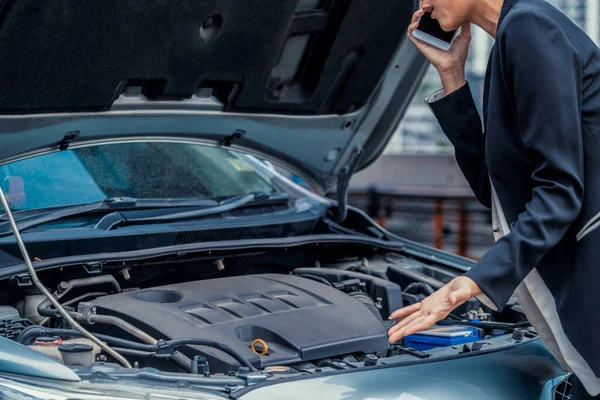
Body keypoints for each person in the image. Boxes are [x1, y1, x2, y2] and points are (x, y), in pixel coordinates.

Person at [386, 0, 600, 398]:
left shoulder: (529, 28)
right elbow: (497, 192)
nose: (423, 4)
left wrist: (469, 284)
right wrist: (451, 75)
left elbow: (560, 192)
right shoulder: (512, 40)